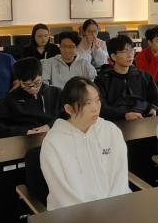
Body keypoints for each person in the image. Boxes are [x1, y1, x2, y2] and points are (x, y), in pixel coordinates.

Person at [39, 77, 130, 210]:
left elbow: (120, 178)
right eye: (87, 103)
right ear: (69, 109)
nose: (95, 108)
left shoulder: (111, 131)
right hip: (72, 215)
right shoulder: (53, 142)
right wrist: (89, 214)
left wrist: (112, 208)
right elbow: (61, 194)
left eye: (97, 100)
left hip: (115, 209)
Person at [0, 57, 62, 139]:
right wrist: (25, 132)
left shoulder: (57, 93)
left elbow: (67, 115)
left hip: (55, 137)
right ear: (19, 81)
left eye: (37, 83)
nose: (33, 88)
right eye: (27, 85)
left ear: (42, 77)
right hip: (25, 139)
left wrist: (49, 126)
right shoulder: (11, 98)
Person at [95, 35, 158, 121]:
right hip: (117, 122)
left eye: (131, 50)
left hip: (144, 120)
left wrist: (154, 109)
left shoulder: (143, 76)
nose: (130, 55)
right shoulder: (102, 80)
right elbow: (101, 107)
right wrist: (124, 115)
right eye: (125, 51)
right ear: (113, 57)